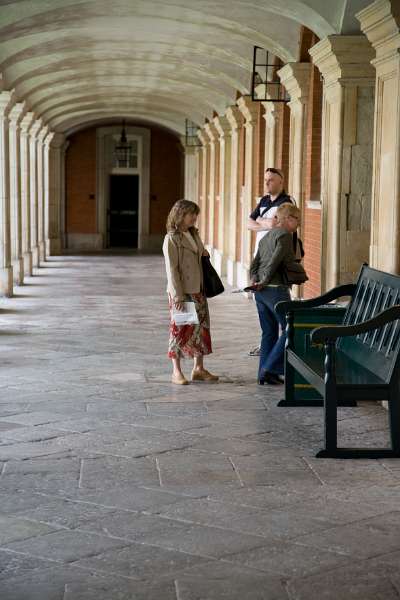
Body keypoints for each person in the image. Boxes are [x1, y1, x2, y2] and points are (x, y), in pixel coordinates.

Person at [163, 199, 219, 385]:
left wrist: (204, 253)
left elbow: (199, 255)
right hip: (183, 292)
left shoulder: (193, 234)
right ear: (180, 215)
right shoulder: (172, 238)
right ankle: (176, 371)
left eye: (196, 214)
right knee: (180, 330)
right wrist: (178, 296)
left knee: (201, 329)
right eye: (191, 214)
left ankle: (198, 368)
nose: (195, 217)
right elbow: (172, 270)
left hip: (199, 289)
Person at [250, 203, 306, 385]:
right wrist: (265, 281)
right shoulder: (284, 236)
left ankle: (264, 374)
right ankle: (270, 368)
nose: (299, 223)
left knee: (269, 332)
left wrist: (255, 281)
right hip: (275, 290)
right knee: (291, 328)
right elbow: (275, 261)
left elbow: (255, 262)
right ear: (288, 218)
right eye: (297, 219)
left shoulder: (265, 237)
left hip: (260, 292)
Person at [247, 167, 295, 356]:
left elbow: (277, 226)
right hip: (260, 257)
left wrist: (261, 222)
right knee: (267, 319)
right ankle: (270, 360)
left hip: (275, 262)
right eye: (266, 179)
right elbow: (248, 223)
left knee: (281, 317)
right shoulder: (264, 201)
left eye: (271, 180)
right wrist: (264, 224)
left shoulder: (286, 203)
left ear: (281, 182)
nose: (267, 183)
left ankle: (273, 358)